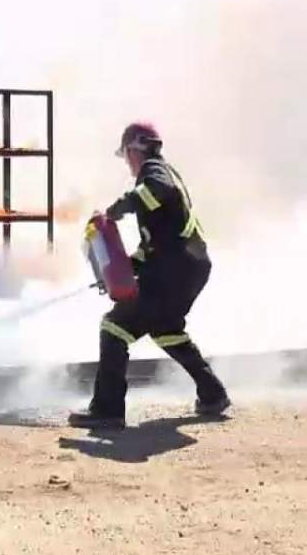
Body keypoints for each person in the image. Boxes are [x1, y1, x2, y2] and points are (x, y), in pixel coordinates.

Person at [68, 122, 231, 429]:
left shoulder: (154, 171)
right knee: (165, 328)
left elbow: (158, 191)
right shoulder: (166, 172)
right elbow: (154, 245)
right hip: (188, 267)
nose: (127, 163)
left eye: (127, 155)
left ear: (134, 150)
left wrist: (120, 206)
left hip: (176, 269)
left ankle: (107, 410)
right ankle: (212, 393)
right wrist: (124, 269)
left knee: (114, 327)